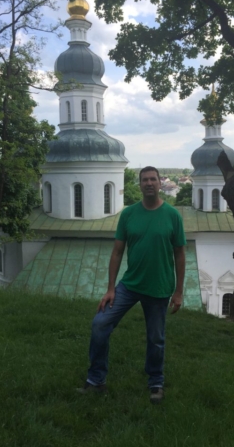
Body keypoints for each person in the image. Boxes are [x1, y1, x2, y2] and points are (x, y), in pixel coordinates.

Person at [77, 166, 186, 403]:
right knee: (100, 324)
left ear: (159, 183)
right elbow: (117, 252)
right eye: (144, 179)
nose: (149, 183)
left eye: (153, 179)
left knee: (156, 338)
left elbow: (180, 254)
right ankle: (96, 380)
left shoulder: (172, 215)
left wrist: (178, 292)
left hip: (159, 288)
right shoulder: (128, 215)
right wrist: (110, 288)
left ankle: (156, 382)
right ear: (140, 184)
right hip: (130, 284)